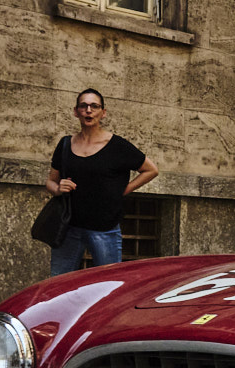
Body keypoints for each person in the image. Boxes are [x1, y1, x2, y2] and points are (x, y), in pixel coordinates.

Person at [44, 88, 157, 274]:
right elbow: (50, 181)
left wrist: (123, 190)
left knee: (107, 283)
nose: (88, 110)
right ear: (76, 112)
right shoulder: (65, 144)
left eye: (94, 106)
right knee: (59, 283)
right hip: (69, 228)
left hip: (105, 229)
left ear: (103, 113)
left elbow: (151, 170)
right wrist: (57, 189)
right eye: (83, 106)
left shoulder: (117, 146)